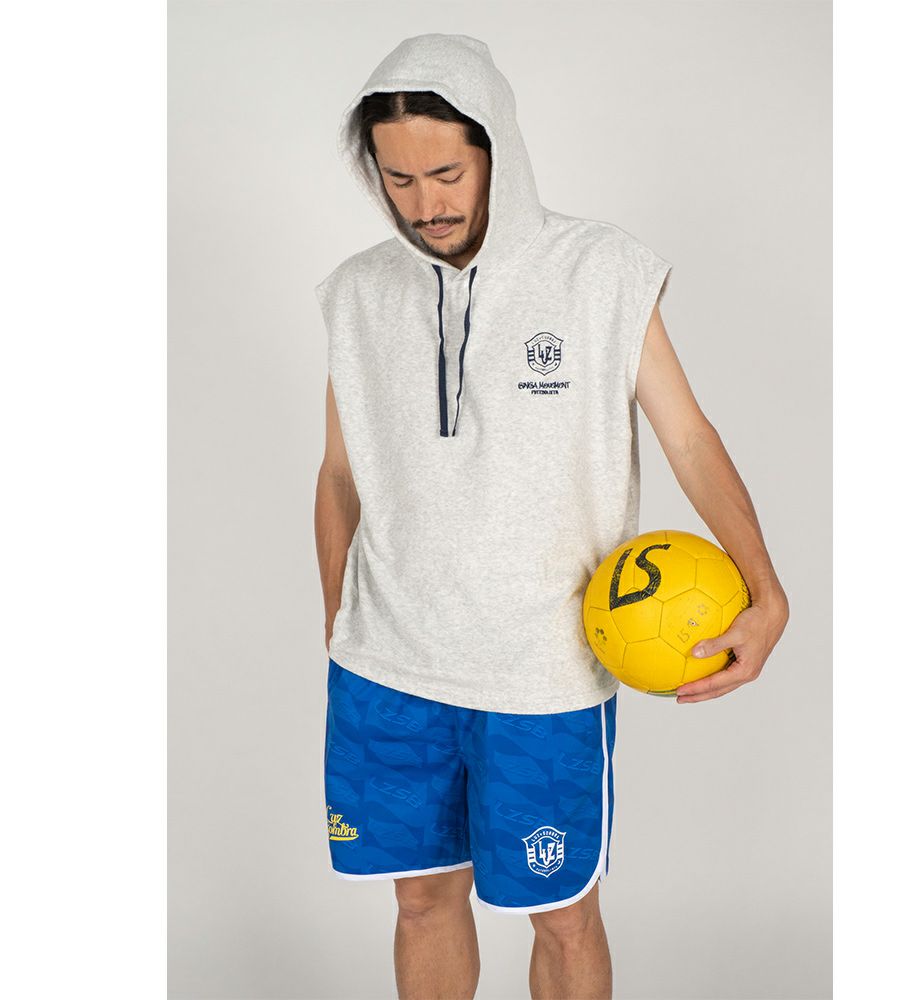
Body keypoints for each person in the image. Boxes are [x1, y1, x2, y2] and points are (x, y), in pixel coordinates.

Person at [314, 32, 789, 1000]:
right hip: (388, 671)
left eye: (446, 173)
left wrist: (766, 589)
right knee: (419, 902)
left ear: (496, 149)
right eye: (398, 180)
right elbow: (338, 476)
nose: (425, 203)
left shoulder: (598, 272)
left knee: (563, 915)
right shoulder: (357, 294)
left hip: (542, 672)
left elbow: (689, 439)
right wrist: (342, 626)